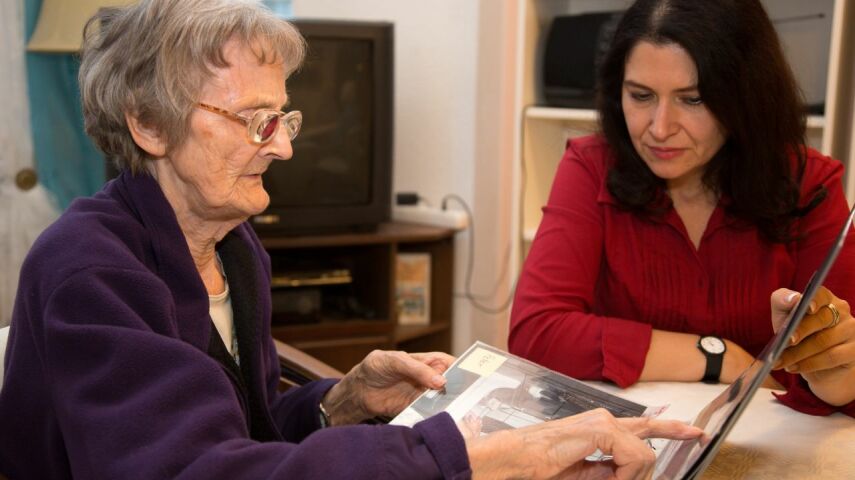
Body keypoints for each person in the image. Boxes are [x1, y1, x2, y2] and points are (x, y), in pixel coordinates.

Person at [0, 1, 702, 478]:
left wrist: (341, 402)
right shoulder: (91, 272)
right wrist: (471, 456)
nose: (282, 151)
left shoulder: (233, 247)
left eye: (283, 118)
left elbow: (243, 430)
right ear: (148, 125)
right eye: (253, 120)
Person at [509, 0, 855, 417]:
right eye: (640, 95)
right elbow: (537, 331)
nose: (659, 128)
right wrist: (718, 356)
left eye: (692, 100)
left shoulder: (810, 184)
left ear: (746, 95)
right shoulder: (592, 165)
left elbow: (839, 383)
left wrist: (831, 371)